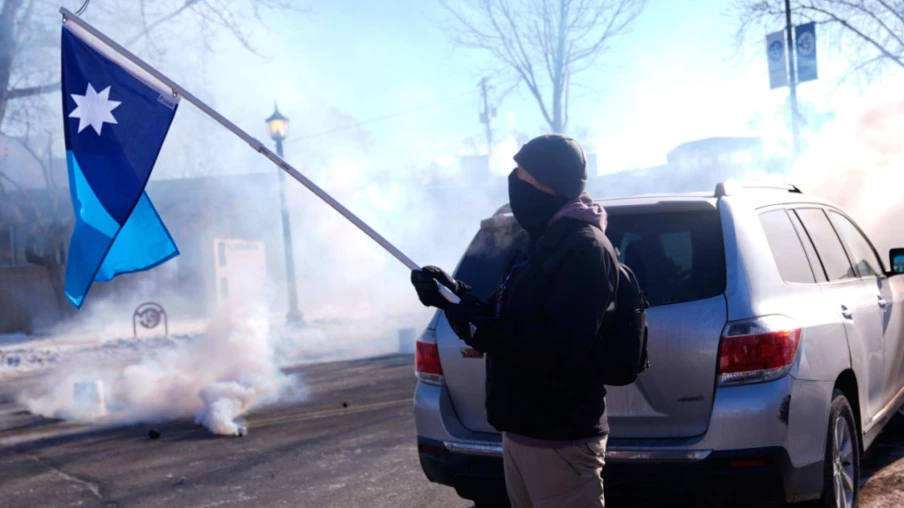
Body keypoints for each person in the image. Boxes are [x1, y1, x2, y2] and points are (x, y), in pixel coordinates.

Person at [411, 134, 618, 508]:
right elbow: (504, 314)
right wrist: (451, 295)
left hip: (561, 438)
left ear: (547, 184)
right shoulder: (538, 244)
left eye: (522, 175)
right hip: (521, 431)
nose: (514, 181)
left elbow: (559, 345)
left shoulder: (585, 249)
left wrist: (477, 326)